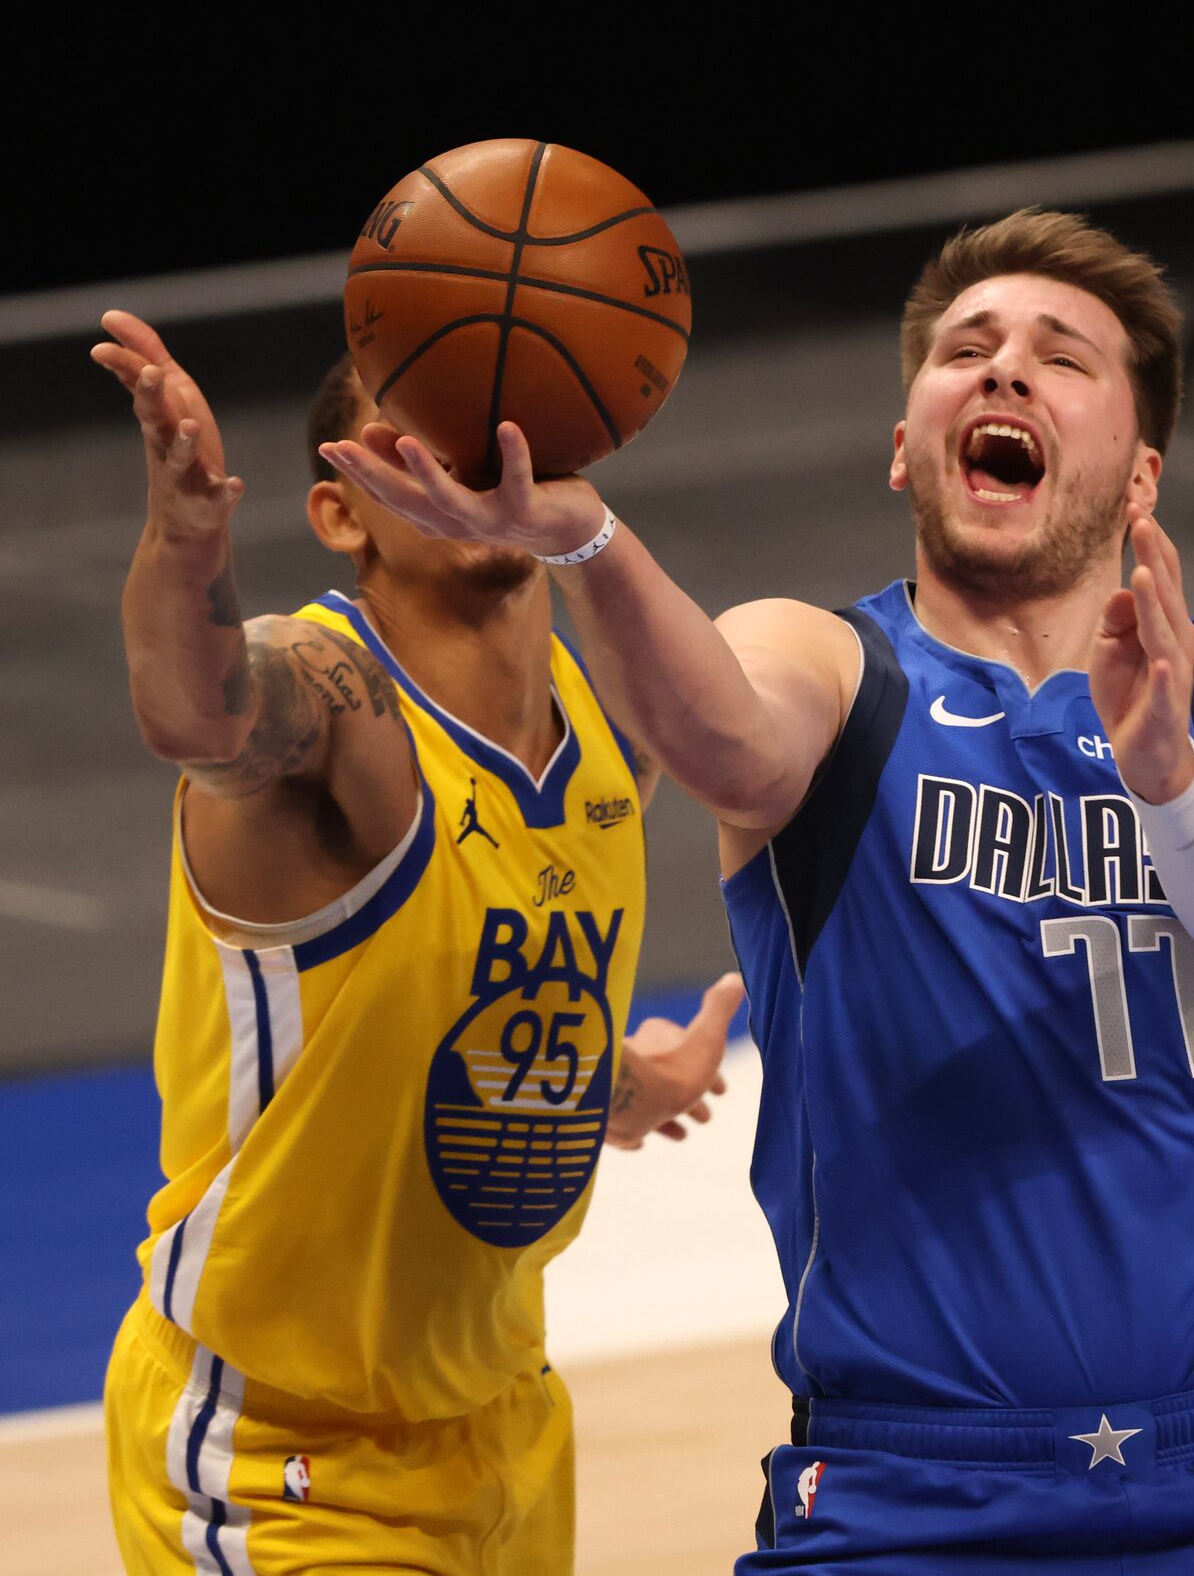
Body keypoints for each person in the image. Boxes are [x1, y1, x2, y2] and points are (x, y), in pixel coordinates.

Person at [326, 207, 1194, 1572]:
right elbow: (719, 739)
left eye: (1059, 356)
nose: (1004, 369)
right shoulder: (826, 664)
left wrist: (1163, 774)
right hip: (909, 1488)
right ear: (905, 448)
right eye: (966, 347)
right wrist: (588, 544)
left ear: (1139, 477)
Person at [92, 309, 745, 1576]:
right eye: (412, 441)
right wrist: (186, 537)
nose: (459, 464)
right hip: (284, 1460)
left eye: (482, 434)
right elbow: (197, 716)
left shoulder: (608, 740)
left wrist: (618, 1082)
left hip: (501, 1428)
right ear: (343, 512)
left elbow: (461, 1026)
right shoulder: (336, 708)